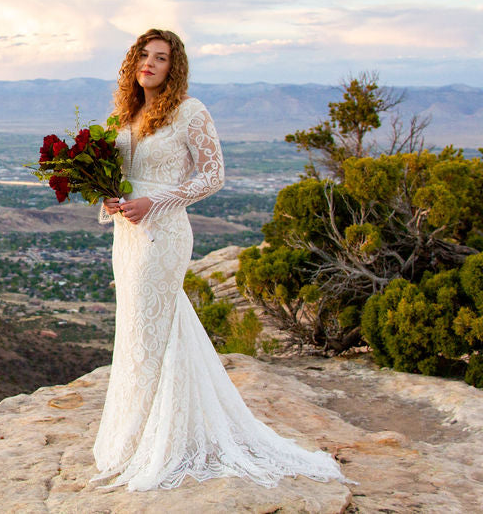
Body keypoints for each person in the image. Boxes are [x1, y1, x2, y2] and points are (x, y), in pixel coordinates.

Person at [91, 29, 349, 491]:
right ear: (132, 62)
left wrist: (157, 202)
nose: (150, 63)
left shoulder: (190, 112)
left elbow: (213, 176)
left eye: (161, 57)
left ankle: (158, 443)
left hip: (163, 233)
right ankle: (138, 436)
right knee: (137, 330)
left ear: (174, 67)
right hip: (127, 237)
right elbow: (119, 178)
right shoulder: (122, 115)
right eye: (143, 55)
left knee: (153, 331)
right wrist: (111, 200)